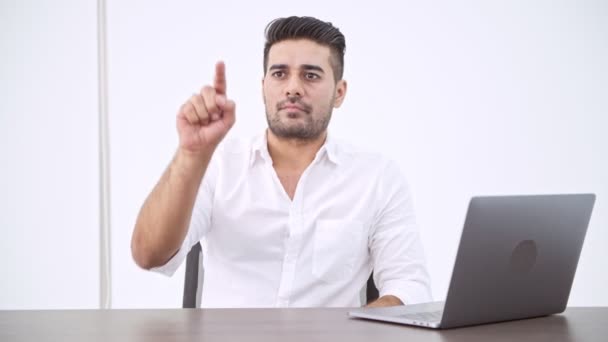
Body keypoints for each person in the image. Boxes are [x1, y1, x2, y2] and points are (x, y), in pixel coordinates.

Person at [131, 16, 431, 308]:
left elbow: (409, 285)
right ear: (264, 87)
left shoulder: (377, 176)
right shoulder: (220, 164)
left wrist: (356, 331)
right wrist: (190, 155)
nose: (293, 88)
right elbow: (149, 255)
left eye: (310, 75)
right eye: (279, 74)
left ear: (339, 93)